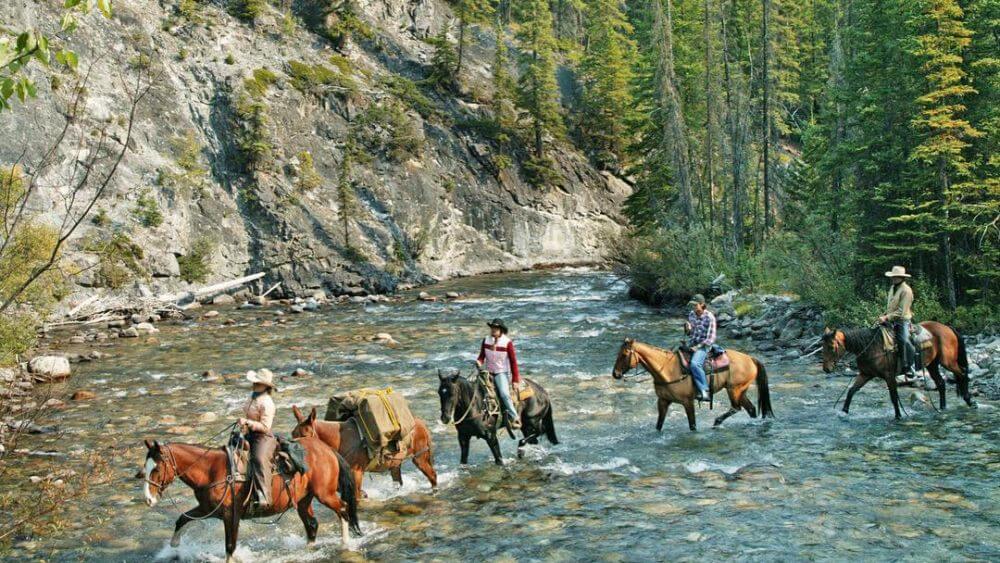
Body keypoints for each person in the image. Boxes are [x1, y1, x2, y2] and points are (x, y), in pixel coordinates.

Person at [237, 369, 277, 508]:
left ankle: (264, 496)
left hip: (263, 437)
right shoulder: (252, 396)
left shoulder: (268, 403)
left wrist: (248, 423)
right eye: (255, 382)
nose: (254, 384)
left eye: (258, 383)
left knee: (259, 459)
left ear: (265, 386)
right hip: (249, 432)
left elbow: (265, 427)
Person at [475, 318, 522, 430]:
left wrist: (515, 380)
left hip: (501, 373)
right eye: (492, 328)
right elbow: (482, 356)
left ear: (501, 330)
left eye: (495, 328)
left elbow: (513, 362)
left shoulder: (507, 342)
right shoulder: (486, 340)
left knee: (504, 394)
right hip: (488, 372)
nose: (493, 330)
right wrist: (479, 361)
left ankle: (515, 417)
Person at [879, 266, 916, 383]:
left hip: (902, 320)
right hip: (891, 319)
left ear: (901, 277)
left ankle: (909, 366)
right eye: (893, 277)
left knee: (904, 340)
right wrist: (885, 314)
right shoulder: (892, 288)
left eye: (896, 277)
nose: (893, 278)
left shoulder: (906, 290)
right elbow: (891, 306)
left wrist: (886, 317)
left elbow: (902, 311)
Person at [684, 294, 716, 402]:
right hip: (692, 343)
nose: (693, 307)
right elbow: (690, 333)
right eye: (692, 305)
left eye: (695, 305)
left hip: (704, 346)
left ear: (702, 304)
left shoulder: (710, 317)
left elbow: (711, 339)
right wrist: (688, 329)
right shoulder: (692, 314)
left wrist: (697, 347)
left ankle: (705, 391)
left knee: (695, 364)